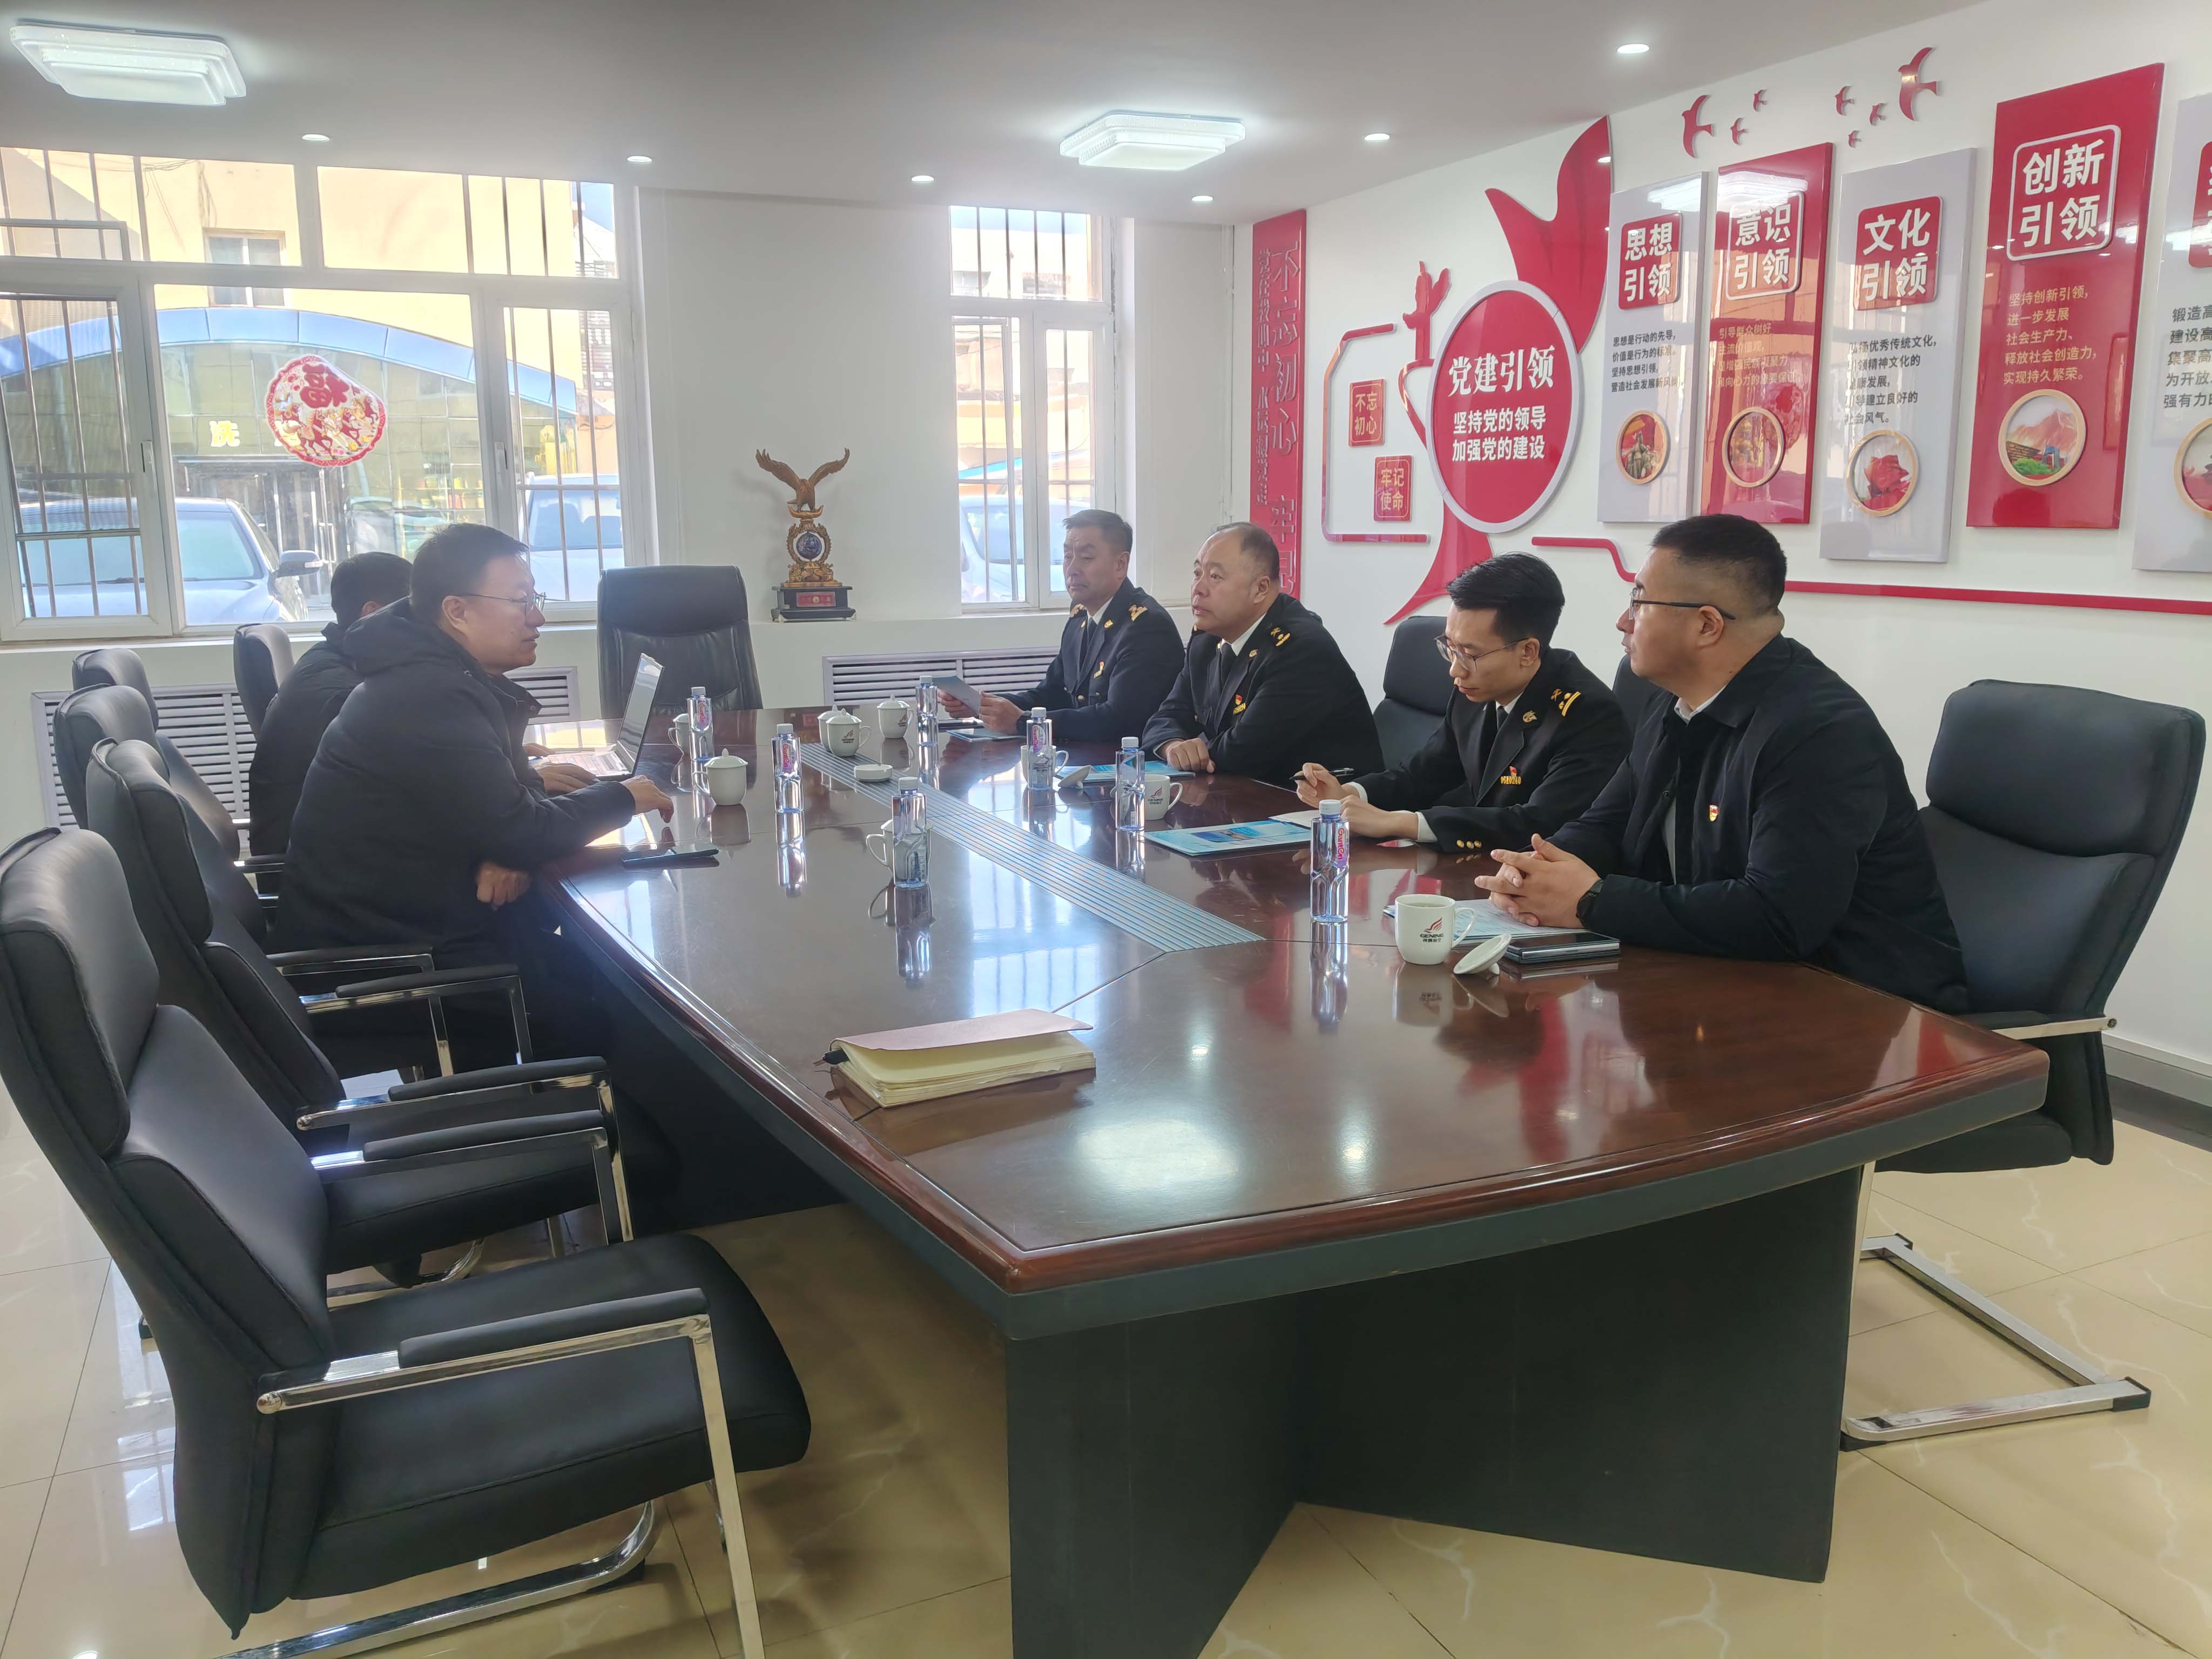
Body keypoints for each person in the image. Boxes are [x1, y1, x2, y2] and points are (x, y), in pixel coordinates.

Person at [1475, 512, 1968, 1010]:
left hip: (1866, 1007)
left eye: (1639, 601)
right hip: (1723, 982)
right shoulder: (1669, 702)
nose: (1624, 620)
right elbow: (1606, 824)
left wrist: (1592, 901)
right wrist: (1534, 875)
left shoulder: (1819, 732)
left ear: (1706, 625)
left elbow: (1778, 918)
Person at [274, 523, 671, 959]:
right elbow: (523, 830)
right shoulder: (428, 695)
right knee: (619, 974)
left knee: (596, 955)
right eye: (520, 601)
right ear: (457, 612)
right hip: (396, 964)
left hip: (420, 927)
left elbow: (515, 807)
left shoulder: (442, 676)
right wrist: (622, 796)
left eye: (535, 600)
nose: (537, 617)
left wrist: (509, 847)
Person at [1296, 553, 1627, 855]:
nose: (1455, 669)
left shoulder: (1587, 715)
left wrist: (1402, 823)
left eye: (1470, 654)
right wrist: (1349, 795)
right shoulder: (1473, 688)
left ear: (1528, 652)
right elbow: (1421, 775)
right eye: (1450, 648)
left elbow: (1538, 824)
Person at [1141, 522, 1382, 780]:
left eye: (1215, 577)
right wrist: (1173, 747)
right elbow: (1164, 718)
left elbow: (1242, 753)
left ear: (1261, 589)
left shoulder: (1300, 650)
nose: (1198, 588)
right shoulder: (1207, 639)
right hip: (1243, 792)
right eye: (1197, 573)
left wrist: (1193, 753)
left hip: (1314, 800)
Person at [939, 509, 1182, 740]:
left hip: (1127, 762)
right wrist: (984, 706)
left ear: (1120, 564)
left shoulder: (1146, 627)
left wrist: (1023, 723)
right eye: (1067, 556)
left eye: (1086, 558)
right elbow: (1052, 693)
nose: (1072, 569)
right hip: (1084, 755)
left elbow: (1118, 720)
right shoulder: (1080, 616)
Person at [245, 551, 413, 856]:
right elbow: (414, 792)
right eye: (421, 612)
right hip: (326, 869)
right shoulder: (341, 696)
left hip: (327, 853)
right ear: (374, 613)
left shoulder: (334, 659)